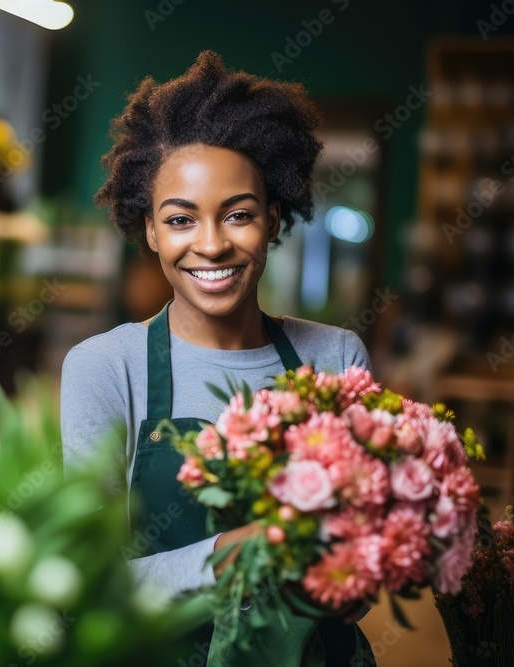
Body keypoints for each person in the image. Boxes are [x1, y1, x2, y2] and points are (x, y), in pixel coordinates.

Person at [60, 51, 375, 666]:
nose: (211, 244)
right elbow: (91, 582)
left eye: (238, 215)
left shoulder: (336, 354)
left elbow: (357, 585)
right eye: (181, 219)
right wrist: (242, 550)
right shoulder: (105, 367)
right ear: (150, 230)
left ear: (273, 220)